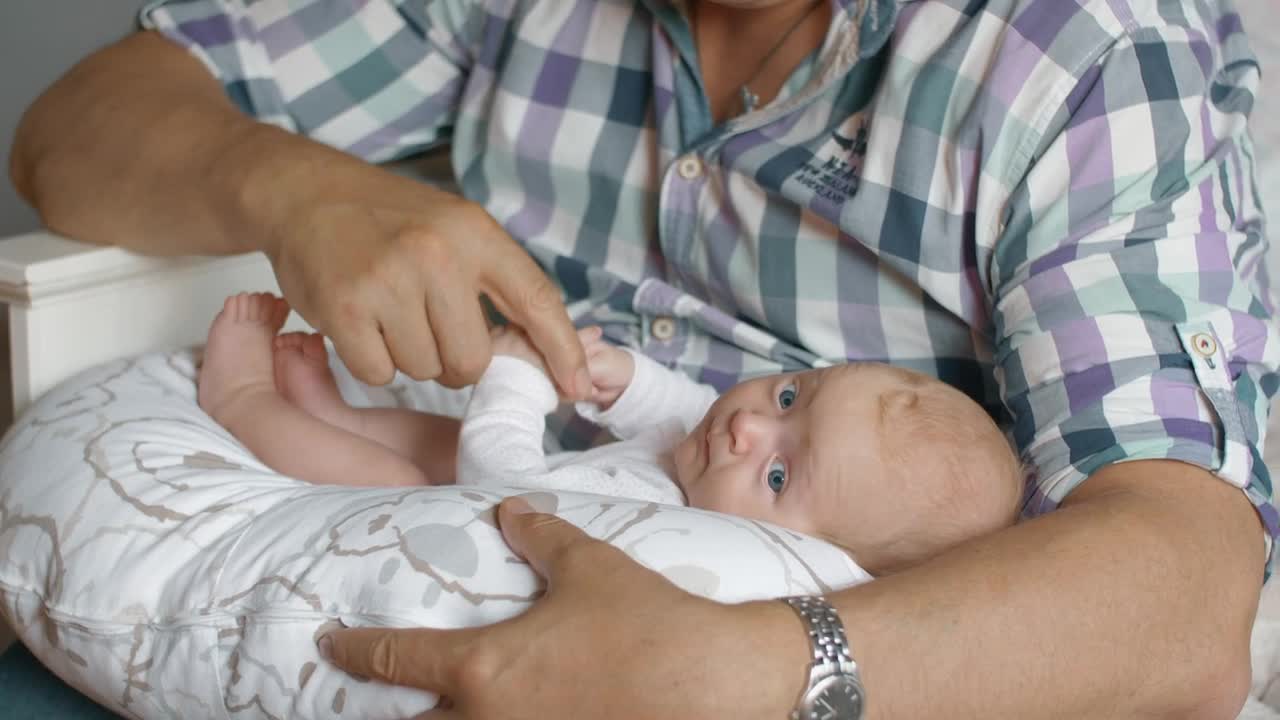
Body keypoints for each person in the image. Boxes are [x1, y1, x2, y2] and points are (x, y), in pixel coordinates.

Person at [9, 0, 1277, 717]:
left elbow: (1183, 590)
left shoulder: (1084, 58)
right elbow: (73, 131)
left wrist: (764, 668)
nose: (751, 426)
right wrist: (285, 185)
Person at [199, 291, 1024, 577]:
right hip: (497, 482)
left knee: (412, 480)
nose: (745, 428)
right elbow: (686, 412)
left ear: (814, 556)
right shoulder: (718, 468)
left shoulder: (660, 525)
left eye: (779, 474)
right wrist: (626, 380)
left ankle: (241, 399)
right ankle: (337, 414)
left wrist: (517, 378)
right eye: (789, 394)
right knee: (439, 436)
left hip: (483, 515)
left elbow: (501, 486)